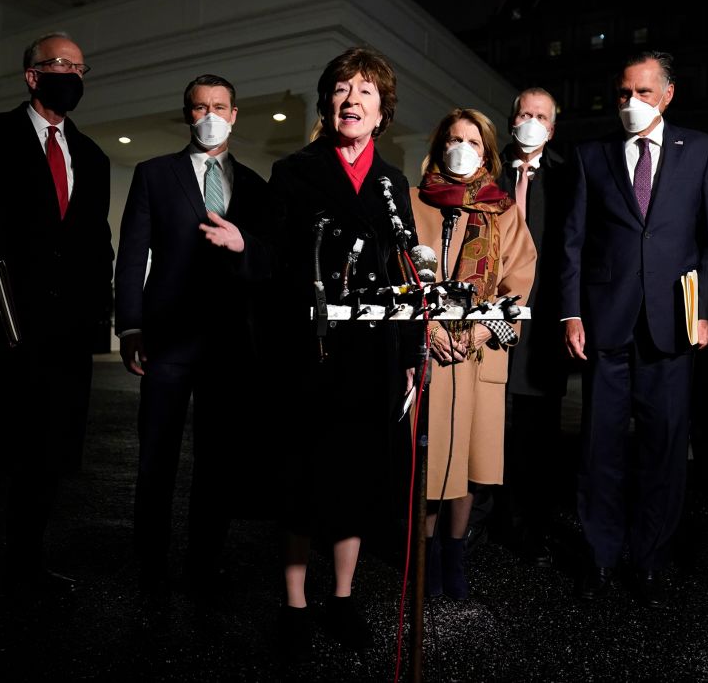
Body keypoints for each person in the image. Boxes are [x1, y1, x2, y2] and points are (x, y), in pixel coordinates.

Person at [560, 51, 708, 608]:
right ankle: (601, 556)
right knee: (599, 450)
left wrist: (700, 309)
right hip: (606, 325)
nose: (631, 103)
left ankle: (650, 559)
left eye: (644, 93)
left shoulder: (701, 149)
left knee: (663, 449)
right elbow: (575, 244)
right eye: (624, 93)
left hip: (672, 328)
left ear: (669, 95)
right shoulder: (592, 155)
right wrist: (572, 312)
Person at [269, 47, 416, 658]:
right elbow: (276, 266)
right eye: (340, 89)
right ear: (328, 103)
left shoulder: (392, 182)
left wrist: (409, 353)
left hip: (373, 355)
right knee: (304, 477)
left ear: (381, 112)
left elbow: (405, 269)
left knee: (357, 475)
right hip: (311, 350)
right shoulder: (294, 171)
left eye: (364, 91)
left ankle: (345, 599)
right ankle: (295, 607)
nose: (351, 99)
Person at [114, 75, 270, 598]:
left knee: (217, 462)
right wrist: (130, 324)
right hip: (167, 340)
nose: (210, 115)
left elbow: (267, 265)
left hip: (228, 346)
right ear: (187, 113)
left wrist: (245, 247)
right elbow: (133, 255)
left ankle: (205, 560)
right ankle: (150, 561)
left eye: (220, 106)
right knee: (156, 456)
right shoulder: (154, 174)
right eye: (200, 107)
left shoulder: (255, 186)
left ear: (235, 113)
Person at [0, 32, 113, 596]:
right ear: (32, 75)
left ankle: (25, 566)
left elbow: (97, 245)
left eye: (81, 66)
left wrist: (99, 320)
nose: (73, 74)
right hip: (1, 330)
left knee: (48, 460)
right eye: (60, 64)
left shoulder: (92, 155)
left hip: (64, 340)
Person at [410, 108, 536, 599]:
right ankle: (423, 559)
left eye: (473, 142)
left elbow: (519, 280)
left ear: (487, 154)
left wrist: (485, 329)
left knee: (467, 464)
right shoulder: (415, 200)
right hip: (430, 349)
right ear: (439, 145)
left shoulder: (503, 209)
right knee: (428, 461)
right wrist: (430, 326)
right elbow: (399, 269)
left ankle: (454, 557)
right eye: (453, 139)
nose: (461, 148)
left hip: (478, 351)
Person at [498, 88, 574, 567]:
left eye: (541, 115)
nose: (531, 121)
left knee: (538, 435)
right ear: (512, 121)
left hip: (544, 324)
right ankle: (483, 522)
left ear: (552, 126)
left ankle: (532, 528)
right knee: (491, 427)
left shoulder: (568, 177)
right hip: (491, 318)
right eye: (524, 113)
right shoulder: (486, 168)